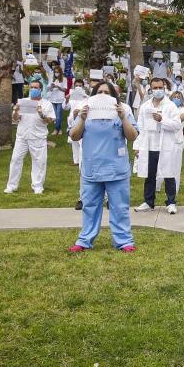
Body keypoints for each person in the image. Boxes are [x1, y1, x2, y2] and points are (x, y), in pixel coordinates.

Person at [69, 81, 138, 252]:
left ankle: (124, 241)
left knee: (120, 207)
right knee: (90, 207)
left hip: (116, 169)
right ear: (93, 94)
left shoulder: (123, 110)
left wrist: (122, 118)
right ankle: (85, 241)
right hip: (92, 169)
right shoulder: (86, 110)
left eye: (107, 92)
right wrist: (82, 118)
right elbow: (74, 135)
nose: (103, 95)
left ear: (114, 95)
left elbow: (132, 136)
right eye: (99, 91)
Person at [134, 77, 184, 214]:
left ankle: (171, 202)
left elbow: (176, 125)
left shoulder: (170, 106)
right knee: (149, 174)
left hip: (165, 145)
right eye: (155, 88)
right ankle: (148, 201)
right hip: (149, 145)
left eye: (160, 88)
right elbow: (140, 128)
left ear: (164, 88)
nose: (157, 90)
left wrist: (162, 120)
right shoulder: (145, 107)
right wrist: (137, 146)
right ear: (150, 89)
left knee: (169, 173)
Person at [5, 82, 55, 195]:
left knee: (39, 162)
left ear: (41, 90)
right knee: (15, 159)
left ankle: (37, 186)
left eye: (36, 88)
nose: (33, 89)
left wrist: (41, 114)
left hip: (38, 136)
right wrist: (16, 110)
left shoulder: (46, 104)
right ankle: (11, 186)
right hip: (22, 136)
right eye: (31, 87)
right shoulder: (23, 102)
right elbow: (15, 119)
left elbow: (50, 120)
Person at [47, 66, 67, 135]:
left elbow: (65, 89)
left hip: (60, 100)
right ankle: (60, 129)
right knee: (56, 116)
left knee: (58, 115)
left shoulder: (64, 79)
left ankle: (56, 129)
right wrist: (51, 87)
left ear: (60, 72)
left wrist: (58, 87)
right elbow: (48, 89)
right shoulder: (51, 79)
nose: (56, 73)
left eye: (57, 72)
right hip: (52, 99)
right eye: (55, 72)